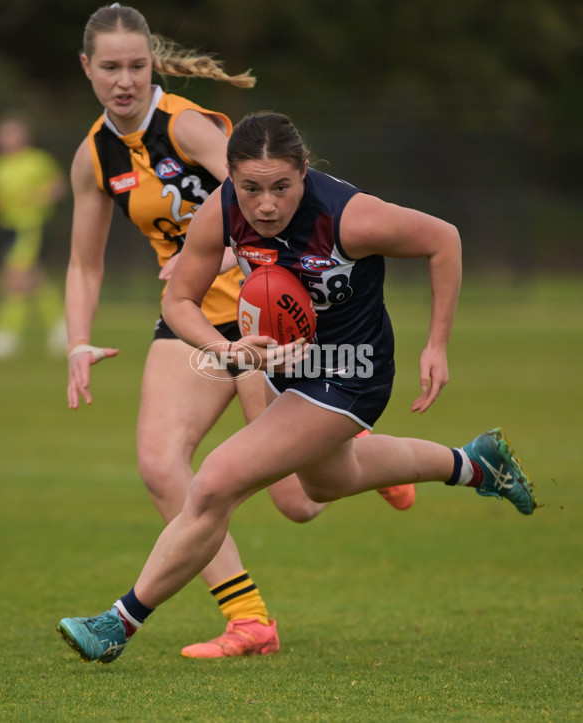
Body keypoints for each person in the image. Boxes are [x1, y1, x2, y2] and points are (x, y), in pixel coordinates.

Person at [57, 111, 538, 665]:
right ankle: (475, 464)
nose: (265, 204)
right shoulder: (223, 210)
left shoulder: (347, 218)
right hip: (283, 365)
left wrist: (437, 345)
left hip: (350, 370)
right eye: (251, 188)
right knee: (327, 483)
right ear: (231, 180)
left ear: (304, 173)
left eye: (281, 187)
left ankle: (118, 622)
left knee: (215, 481)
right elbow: (179, 301)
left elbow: (444, 240)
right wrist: (228, 350)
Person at [64, 4, 414, 661]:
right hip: (192, 319)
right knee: (160, 462)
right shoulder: (94, 155)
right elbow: (85, 262)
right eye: (109, 67)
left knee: (299, 501)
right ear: (87, 68)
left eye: (136, 65)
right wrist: (78, 340)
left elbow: (258, 206)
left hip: (263, 315)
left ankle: (358, 451)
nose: (124, 80)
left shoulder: (188, 126)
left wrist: (223, 254)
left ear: (152, 65)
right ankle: (249, 618)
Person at [0, 114, 67, 359]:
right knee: (34, 280)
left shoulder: (36, 161)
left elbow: (58, 186)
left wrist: (37, 198)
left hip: (30, 226)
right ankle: (61, 327)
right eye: (3, 133)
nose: (6, 138)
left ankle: (7, 334)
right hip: (7, 228)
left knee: (14, 279)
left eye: (12, 133)